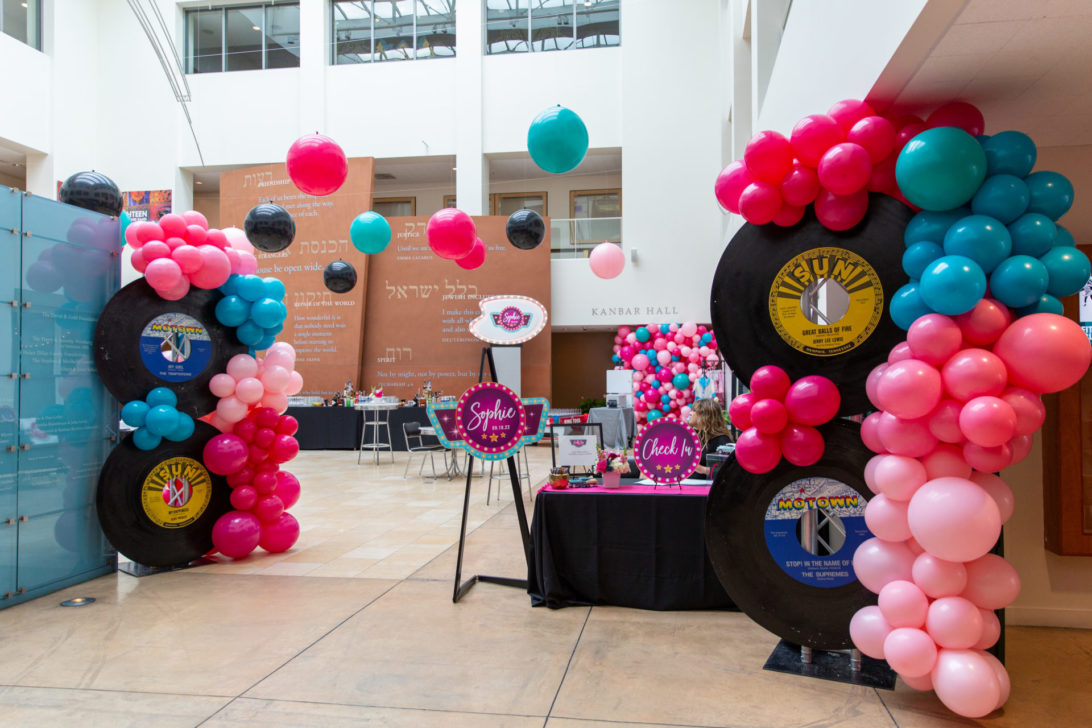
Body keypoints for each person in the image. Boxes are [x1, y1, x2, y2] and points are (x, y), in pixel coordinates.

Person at [688, 398, 733, 477]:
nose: (690, 413)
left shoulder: (722, 440)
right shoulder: (694, 435)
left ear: (705, 415)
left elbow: (728, 470)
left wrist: (701, 469)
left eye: (694, 411)